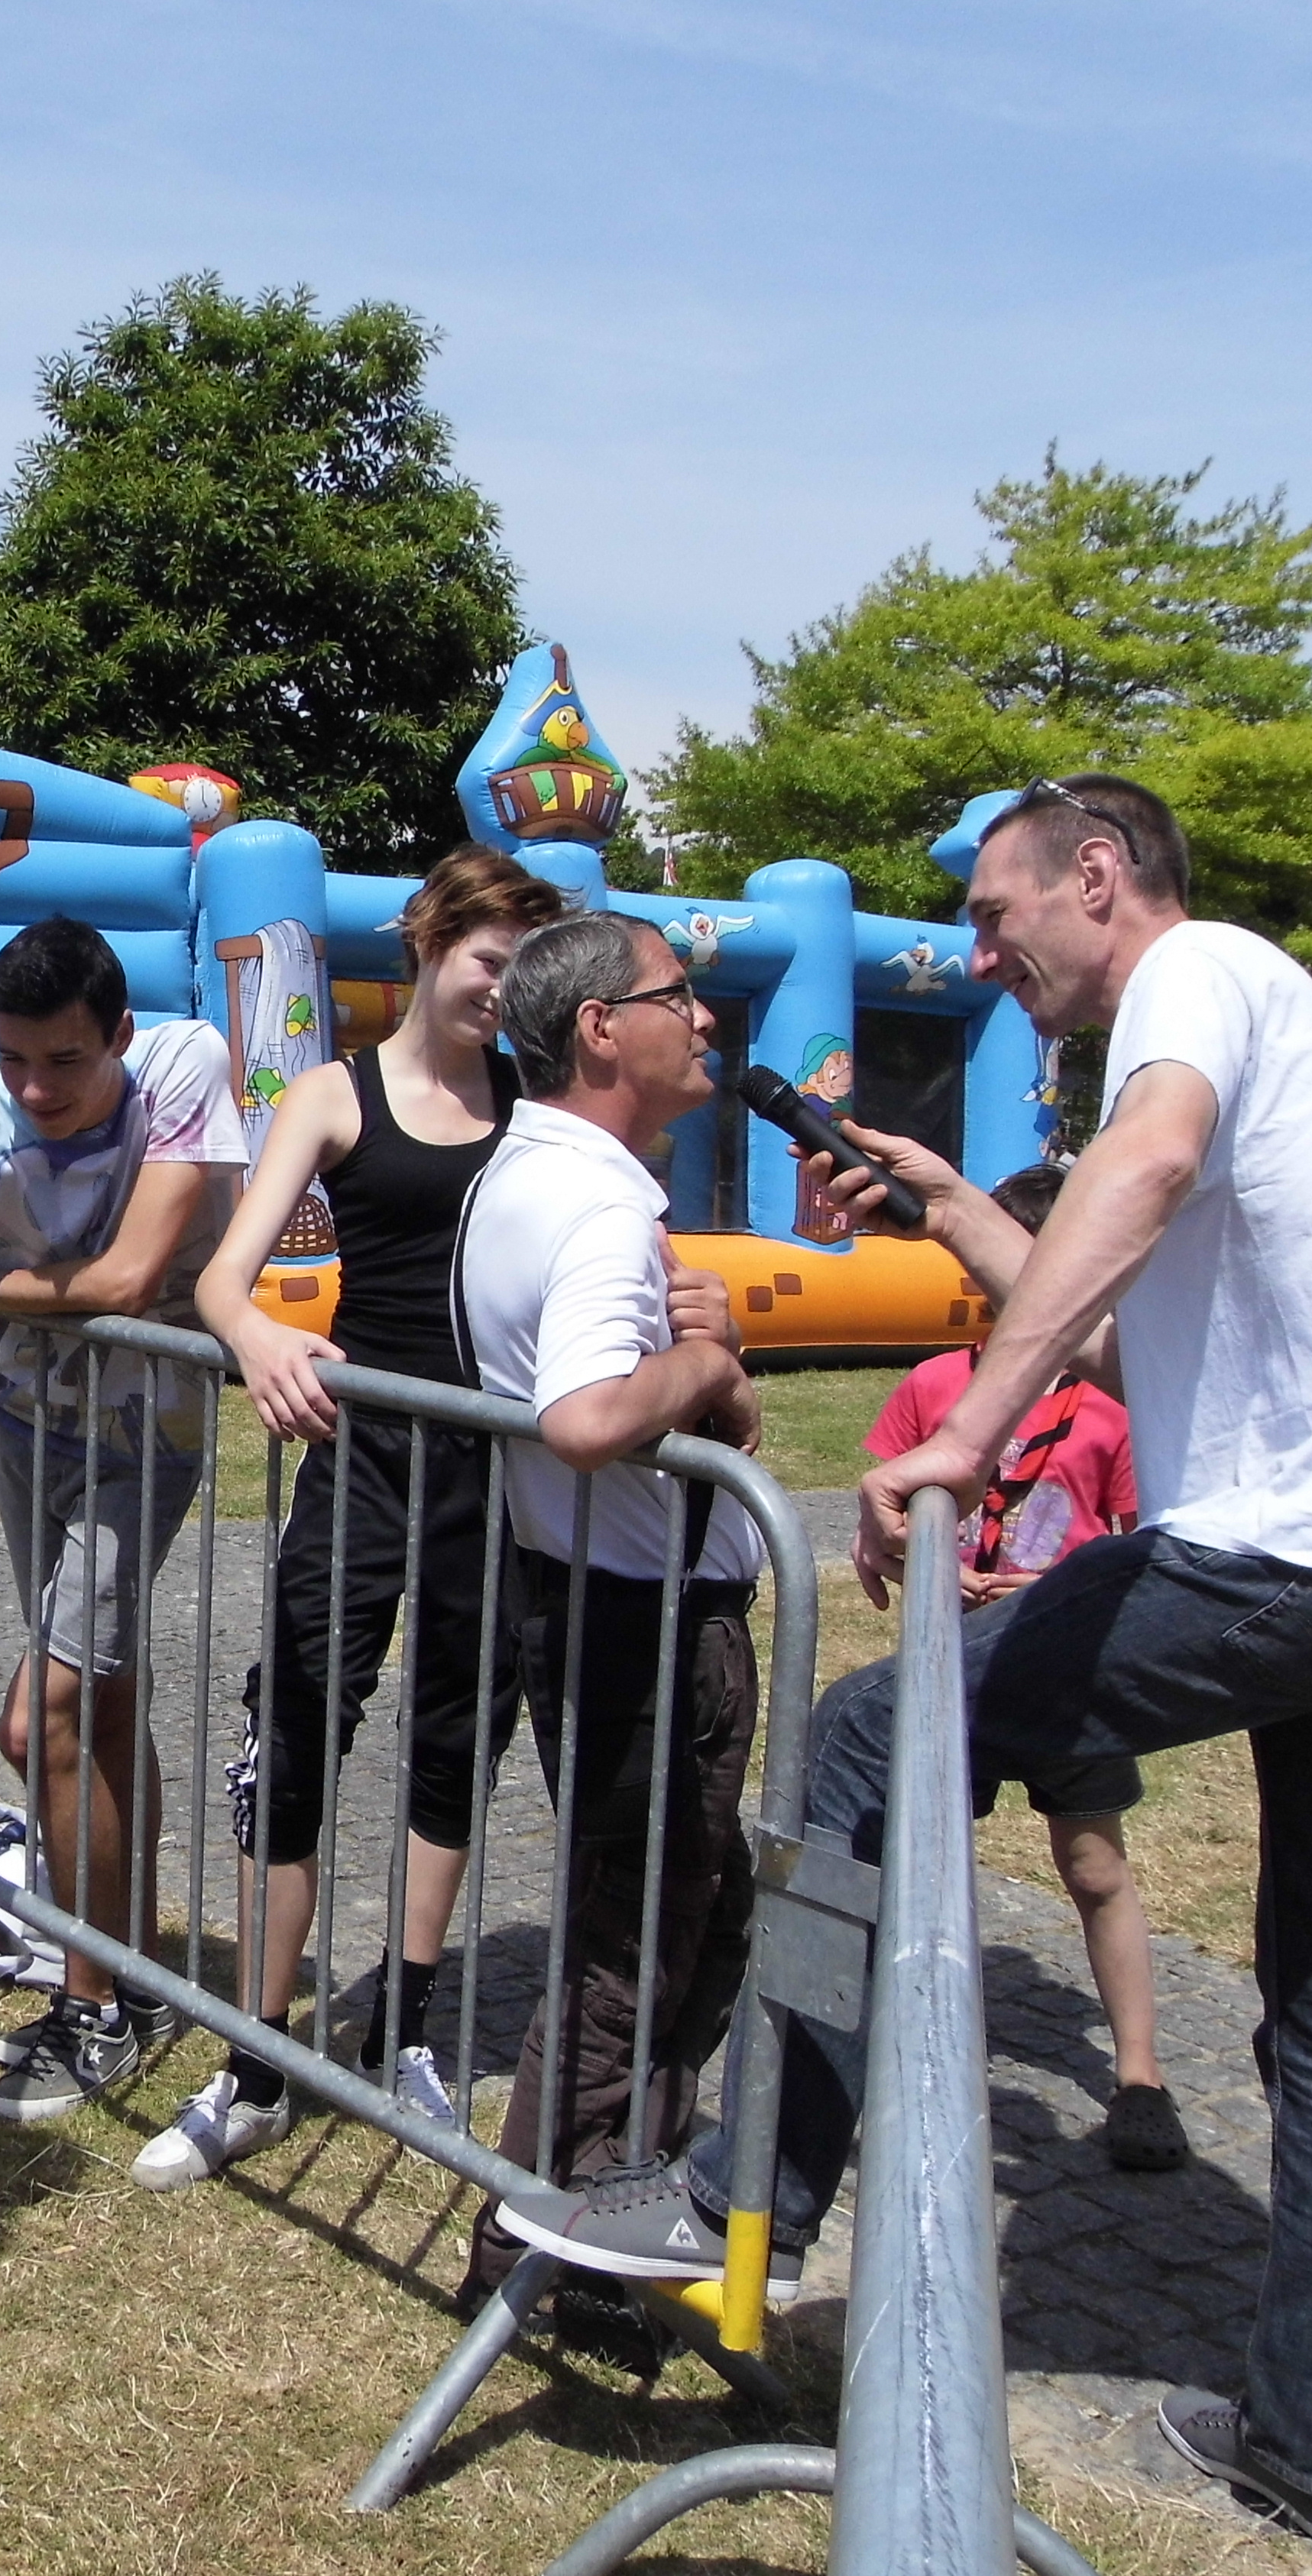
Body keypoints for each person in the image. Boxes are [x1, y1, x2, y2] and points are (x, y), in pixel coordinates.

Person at [496, 775, 1312, 2563]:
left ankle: (726, 2194)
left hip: (1311, 1550)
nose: (984, 953)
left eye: (999, 914)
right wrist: (937, 1212)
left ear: (1098, 875)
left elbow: (1136, 1178)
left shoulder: (1199, 971)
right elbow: (1149, 1310)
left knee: (862, 1733)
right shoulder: (1287, 1040)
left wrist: (964, 1438)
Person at [140, 849, 568, 2190]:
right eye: (486, 961)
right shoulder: (334, 1092)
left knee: (460, 1733)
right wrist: (258, 1335)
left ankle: (412, 2029)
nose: (500, 991)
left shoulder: (536, 1107)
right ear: (431, 947)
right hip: (362, 1456)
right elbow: (220, 1276)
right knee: (299, 1725)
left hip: (495, 1469)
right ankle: (257, 2057)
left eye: (523, 970)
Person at [449, 909, 766, 2303]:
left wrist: (716, 1364)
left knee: (690, 1922)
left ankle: (612, 2204)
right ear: (599, 1028)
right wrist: (699, 1378)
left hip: (581, 1596)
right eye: (676, 994)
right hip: (645, 1623)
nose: (699, 1018)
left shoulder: (518, 1174)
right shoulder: (599, 1201)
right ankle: (551, 2243)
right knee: (631, 1948)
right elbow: (584, 1417)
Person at [0, 916, 249, 2123]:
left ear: (121, 1038)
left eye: (65, 1061)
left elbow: (126, 1281)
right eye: (15, 1060)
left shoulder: (187, 1063)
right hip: (25, 1429)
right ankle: (140, 1976)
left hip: (146, 1434)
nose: (36, 1088)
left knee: (53, 1707)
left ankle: (94, 2004)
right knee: (84, 1707)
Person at [862, 1162, 1179, 2172]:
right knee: (920, 1861)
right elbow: (887, 1517)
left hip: (1072, 1665)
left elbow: (1141, 1539)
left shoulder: (1119, 1406)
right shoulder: (935, 1387)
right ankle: (897, 2048)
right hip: (954, 1662)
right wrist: (933, 1569)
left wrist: (1058, 1582)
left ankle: (1139, 2074)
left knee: (1094, 1865)